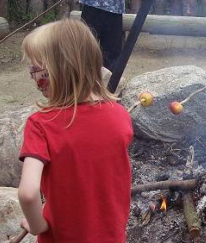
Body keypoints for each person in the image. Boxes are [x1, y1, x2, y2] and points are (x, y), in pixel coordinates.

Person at [18, 19, 134, 242]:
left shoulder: (41, 125)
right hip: (111, 235)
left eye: (35, 70)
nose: (33, 76)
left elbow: (28, 193)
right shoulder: (120, 116)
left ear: (56, 73)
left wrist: (37, 224)